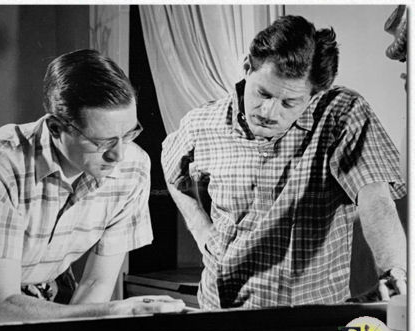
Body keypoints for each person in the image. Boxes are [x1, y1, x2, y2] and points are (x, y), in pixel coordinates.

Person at [161, 15, 407, 310]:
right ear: (247, 68)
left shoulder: (342, 114)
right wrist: (201, 230)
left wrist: (394, 273)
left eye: (289, 102)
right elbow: (171, 166)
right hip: (220, 309)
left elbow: (375, 199)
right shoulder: (201, 123)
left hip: (309, 318)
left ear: (314, 96)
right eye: (262, 93)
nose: (268, 110)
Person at [0, 49, 185, 325]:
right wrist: (117, 311)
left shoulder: (133, 166)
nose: (117, 155)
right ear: (56, 128)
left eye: (127, 134)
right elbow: (1, 309)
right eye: (101, 142)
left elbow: (96, 283)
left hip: (43, 283)